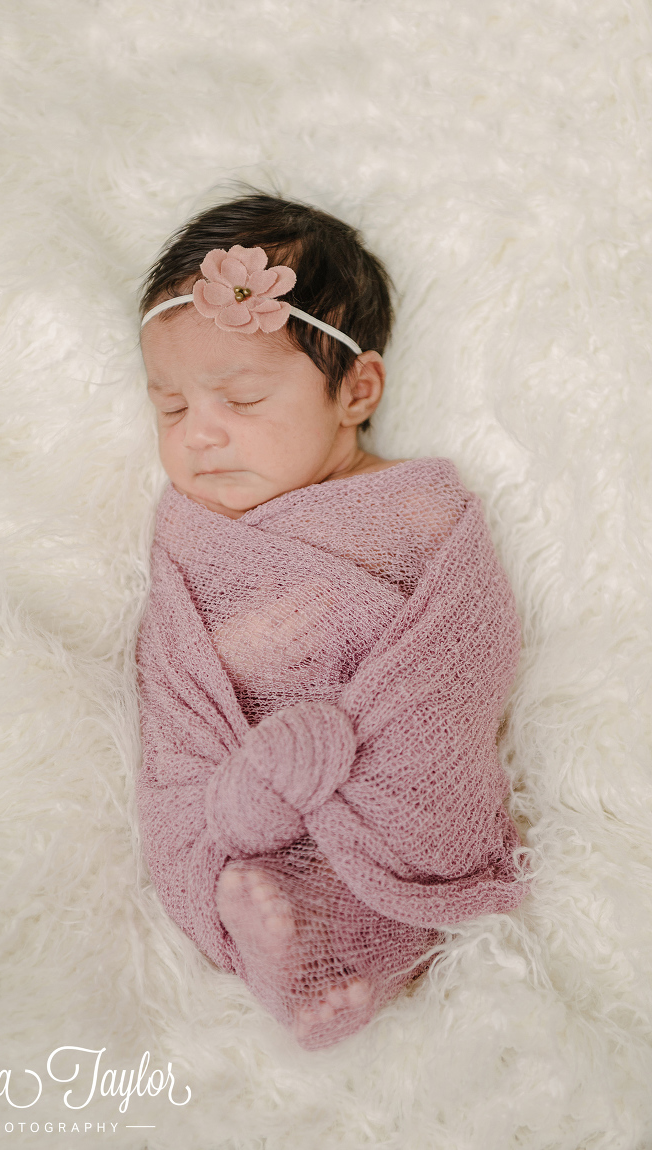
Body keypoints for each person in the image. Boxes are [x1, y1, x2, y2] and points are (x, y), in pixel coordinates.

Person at [136, 192, 527, 1049]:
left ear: (357, 389)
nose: (198, 437)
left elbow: (470, 645)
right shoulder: (191, 529)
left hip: (375, 755)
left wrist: (320, 670)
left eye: (239, 400)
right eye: (170, 407)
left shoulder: (417, 505)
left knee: (408, 824)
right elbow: (173, 674)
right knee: (205, 833)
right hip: (236, 778)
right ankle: (266, 925)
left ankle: (338, 953)